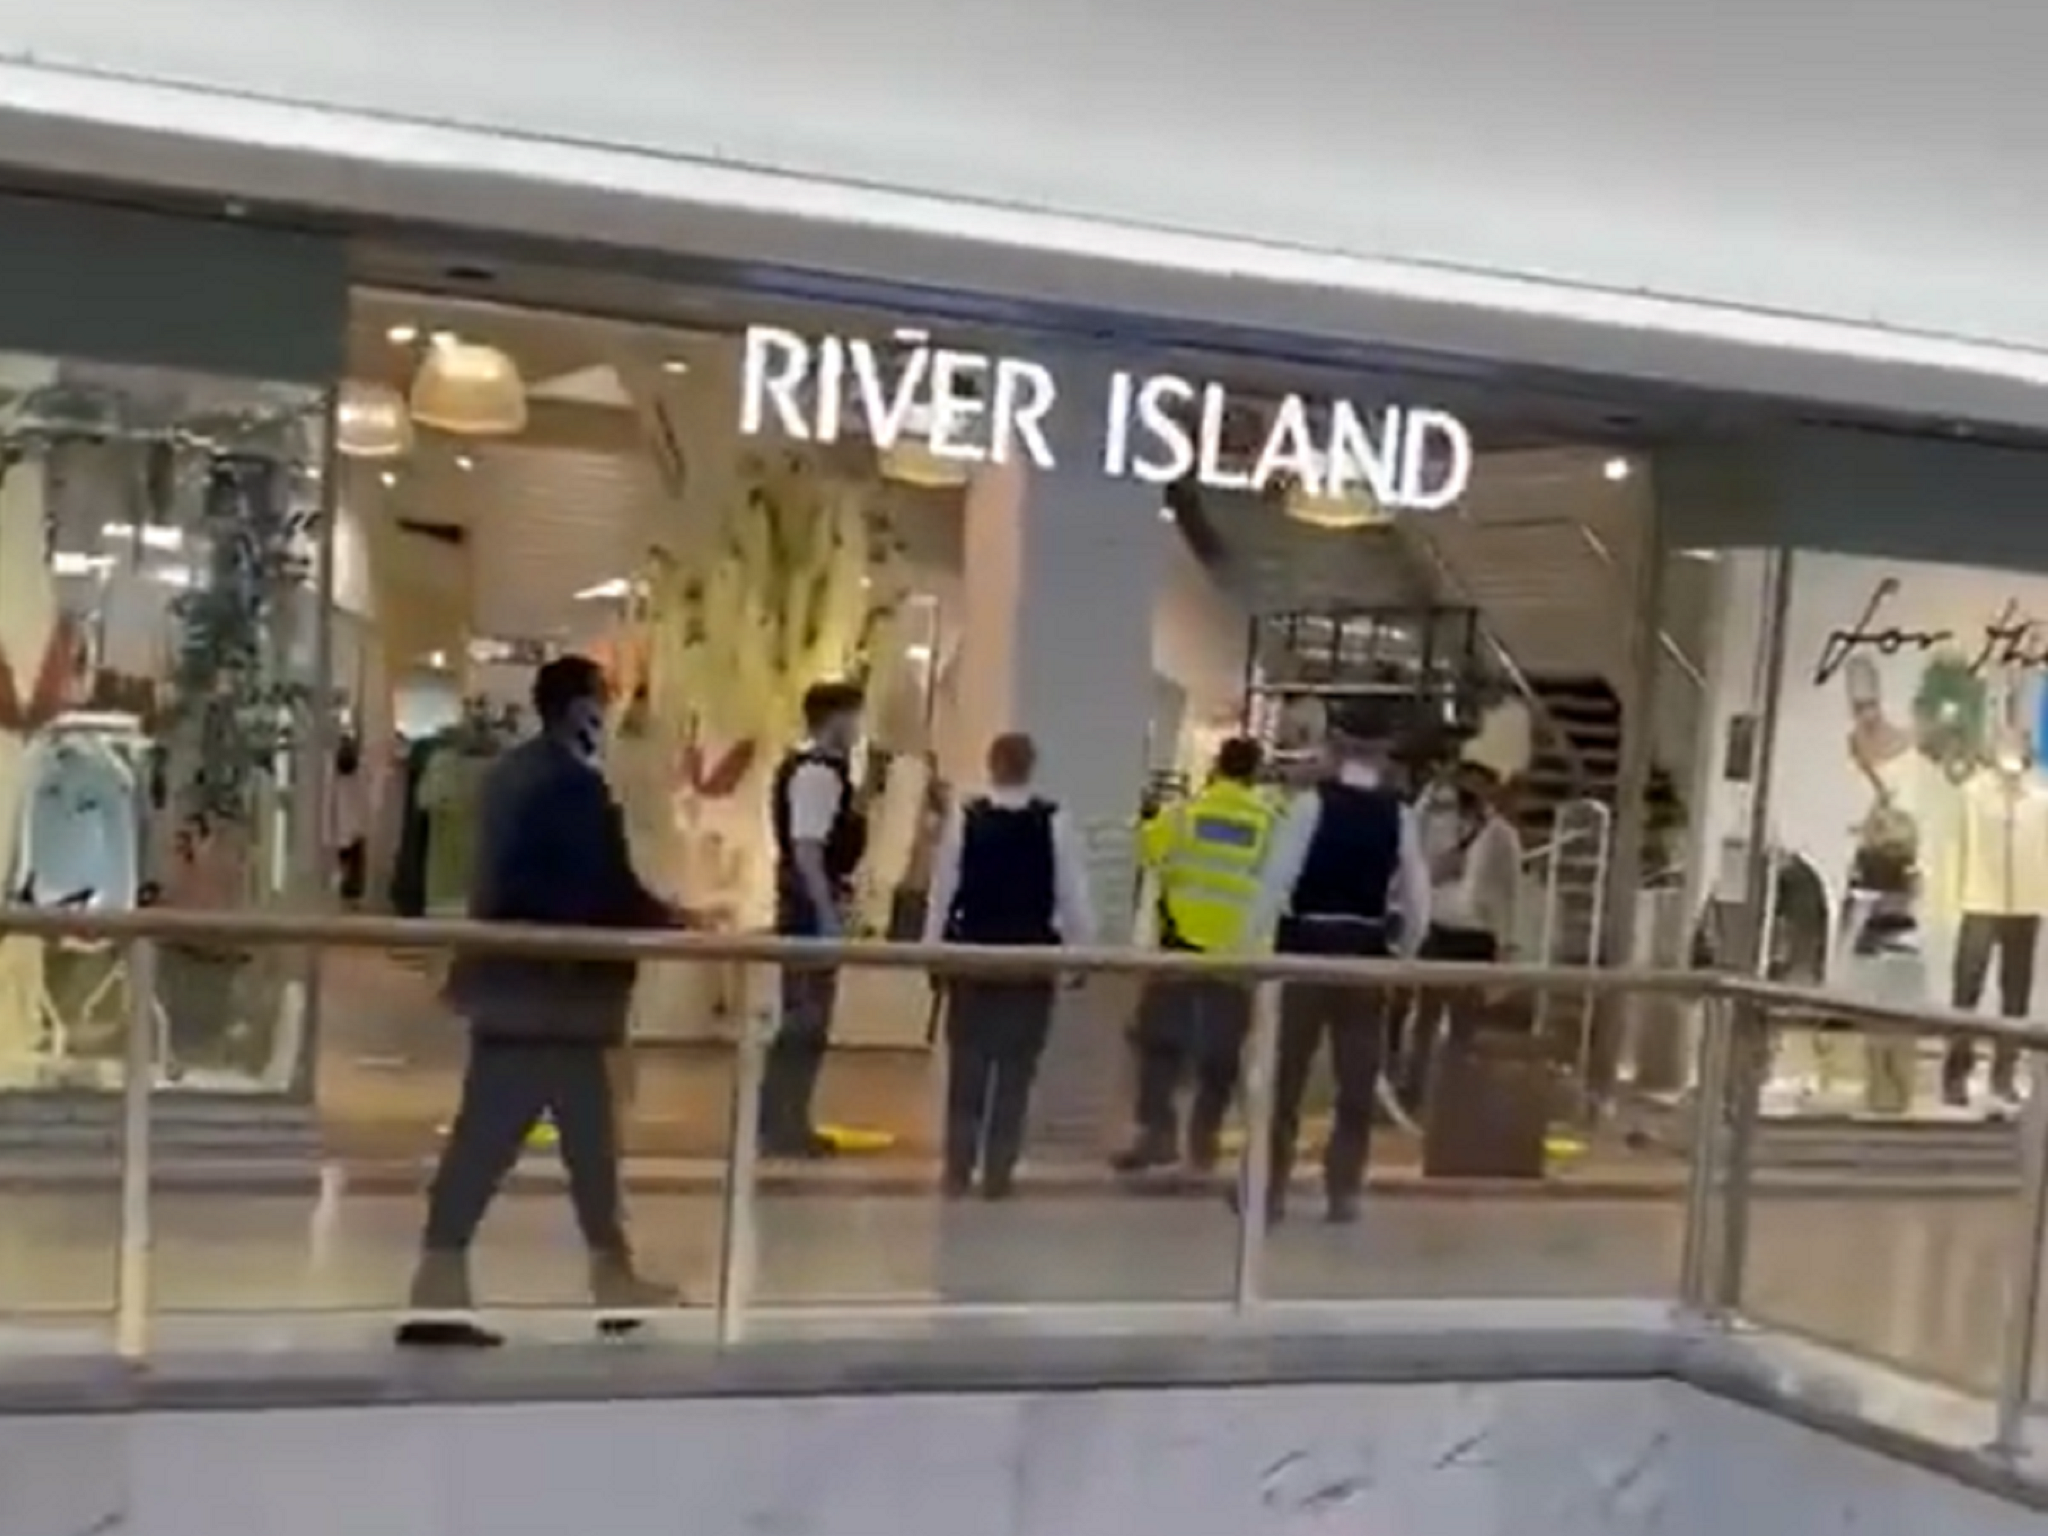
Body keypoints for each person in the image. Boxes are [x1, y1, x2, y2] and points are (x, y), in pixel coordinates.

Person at [399, 655, 692, 1348]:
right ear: (580, 707)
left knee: (586, 1145)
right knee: (493, 1144)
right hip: (548, 1001)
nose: (610, 715)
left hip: (524, 994)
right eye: (603, 701)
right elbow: (597, 889)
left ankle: (609, 1278)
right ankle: (438, 1291)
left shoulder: (512, 776)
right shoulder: (571, 789)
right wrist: (672, 921)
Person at [1240, 703, 1431, 1224]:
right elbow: (1417, 899)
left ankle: (1268, 1188)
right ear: (1384, 753)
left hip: (1304, 945)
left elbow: (1275, 880)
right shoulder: (1400, 815)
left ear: (1336, 747)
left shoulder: (1309, 806)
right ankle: (1343, 1190)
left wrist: (1250, 947)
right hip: (1366, 953)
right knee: (1357, 1081)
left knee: (1284, 1077)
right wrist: (1404, 955)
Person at [923, 732, 1095, 1197]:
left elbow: (943, 892)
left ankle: (958, 1169)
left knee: (968, 1071)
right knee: (1015, 1073)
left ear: (990, 763)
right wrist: (1082, 954)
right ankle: (998, 1172)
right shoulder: (1055, 822)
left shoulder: (966, 818)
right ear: (1031, 766)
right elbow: (1072, 895)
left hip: (973, 959)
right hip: (1030, 960)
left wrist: (931, 951)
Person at [1114, 736, 1278, 1174]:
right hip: (1238, 958)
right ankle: (1203, 1142)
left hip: (1180, 951)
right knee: (1221, 1056)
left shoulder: (1186, 814)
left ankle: (1157, 1135)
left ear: (1217, 766)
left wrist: (1144, 817)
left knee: (1160, 1045)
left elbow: (1146, 848)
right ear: (1256, 772)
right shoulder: (1270, 823)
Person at [757, 679, 869, 1157]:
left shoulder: (814, 770)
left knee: (806, 1016)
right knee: (806, 1017)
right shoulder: (818, 774)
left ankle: (786, 1119)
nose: (858, 728)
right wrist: (826, 912)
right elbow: (808, 849)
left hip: (805, 902)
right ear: (837, 717)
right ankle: (783, 1123)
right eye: (854, 717)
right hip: (807, 908)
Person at [1401, 761, 1522, 1108]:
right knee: (1426, 1014)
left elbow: (1510, 893)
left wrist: (1506, 944)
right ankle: (1415, 1088)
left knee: (1464, 1022)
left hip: (1476, 935)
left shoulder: (1502, 836)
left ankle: (1456, 1092)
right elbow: (1420, 862)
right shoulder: (1440, 826)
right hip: (1439, 929)